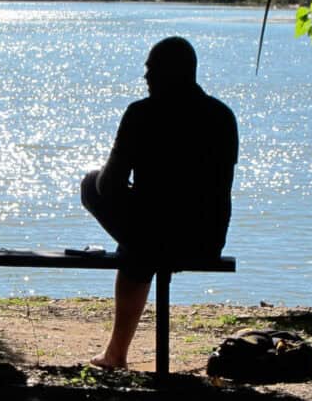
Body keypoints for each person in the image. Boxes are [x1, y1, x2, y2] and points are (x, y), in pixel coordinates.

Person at [81, 36, 238, 369]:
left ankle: (116, 353)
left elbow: (108, 187)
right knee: (141, 237)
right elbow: (219, 188)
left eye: (151, 70)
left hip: (154, 235)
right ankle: (115, 352)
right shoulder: (223, 117)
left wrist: (109, 179)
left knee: (92, 188)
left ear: (173, 72)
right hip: (206, 238)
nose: (146, 78)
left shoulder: (141, 114)